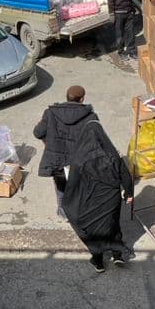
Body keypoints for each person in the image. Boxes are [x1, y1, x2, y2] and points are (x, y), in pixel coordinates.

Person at [61, 114, 134, 273]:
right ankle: (117, 255)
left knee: (94, 230)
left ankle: (98, 261)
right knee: (113, 224)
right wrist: (128, 193)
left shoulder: (78, 159)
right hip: (111, 198)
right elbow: (125, 174)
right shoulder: (112, 153)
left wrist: (69, 203)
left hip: (90, 200)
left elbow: (72, 183)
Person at [33, 85, 96, 219]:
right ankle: (80, 212)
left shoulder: (50, 113)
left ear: (66, 97)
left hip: (57, 161)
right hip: (80, 162)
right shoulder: (90, 116)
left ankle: (64, 213)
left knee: (61, 186)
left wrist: (47, 142)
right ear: (82, 99)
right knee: (80, 187)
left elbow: (38, 132)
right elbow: (95, 140)